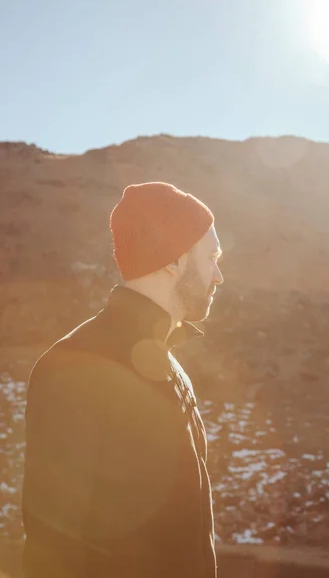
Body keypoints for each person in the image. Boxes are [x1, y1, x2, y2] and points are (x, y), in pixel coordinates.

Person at [21, 182, 224, 578]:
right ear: (174, 260)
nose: (219, 277)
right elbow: (52, 546)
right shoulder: (74, 365)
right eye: (212, 257)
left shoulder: (172, 366)